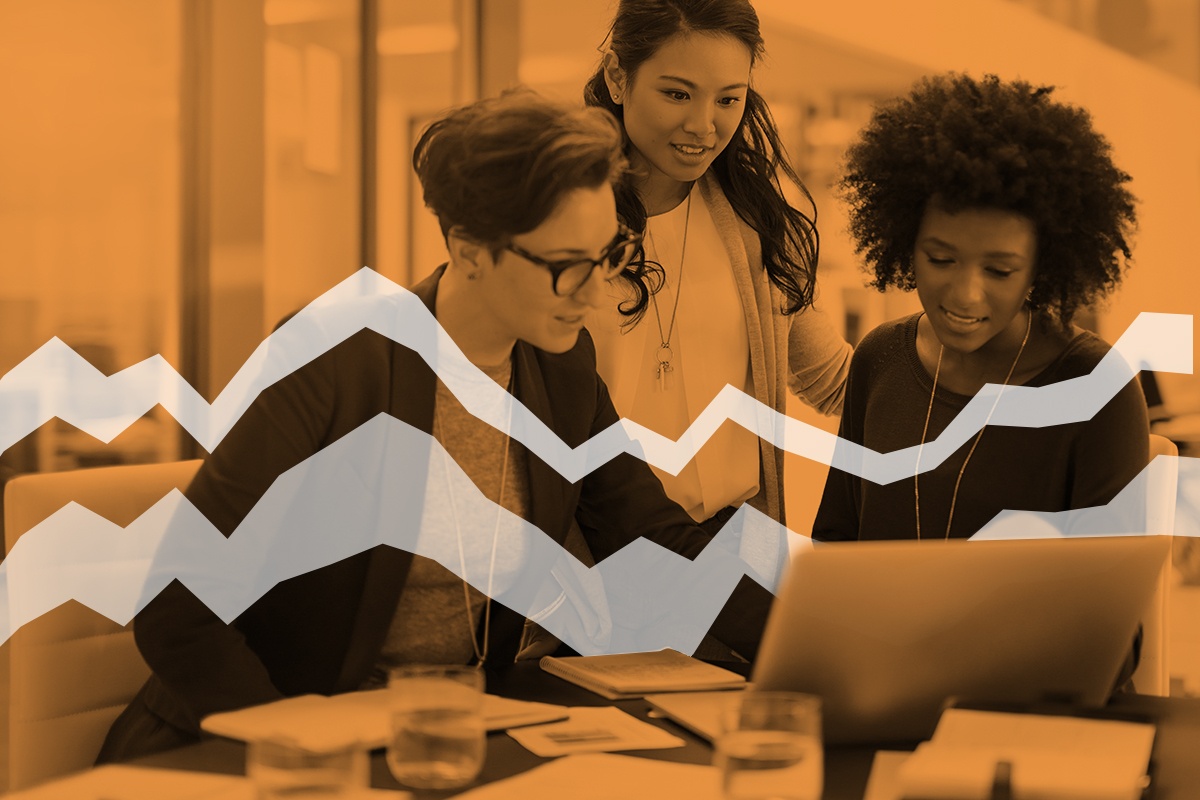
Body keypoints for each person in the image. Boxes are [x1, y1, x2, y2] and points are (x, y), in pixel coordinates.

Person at [96, 90, 772, 762]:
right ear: (470, 249)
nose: (596, 295)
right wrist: (302, 751)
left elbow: (651, 539)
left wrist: (799, 637)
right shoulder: (334, 360)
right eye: (567, 268)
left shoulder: (559, 372)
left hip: (441, 740)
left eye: (607, 258)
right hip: (260, 753)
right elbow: (177, 607)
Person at [813, 73, 1149, 544]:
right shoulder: (880, 358)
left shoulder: (1097, 386)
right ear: (905, 243)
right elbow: (835, 541)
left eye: (999, 271)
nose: (966, 294)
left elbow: (1108, 599)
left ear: (1041, 267)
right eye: (941, 259)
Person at [581, 0, 852, 532]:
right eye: (677, 94)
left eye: (729, 99)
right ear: (618, 76)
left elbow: (834, 381)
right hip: (595, 551)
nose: (703, 126)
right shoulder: (563, 219)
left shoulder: (753, 218)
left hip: (732, 546)